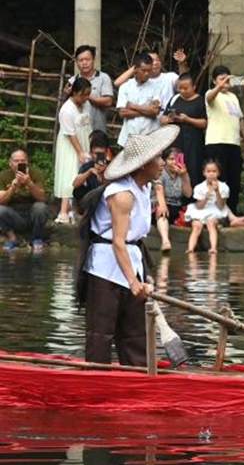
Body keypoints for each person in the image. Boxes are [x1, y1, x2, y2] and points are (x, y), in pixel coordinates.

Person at [81, 124, 178, 365]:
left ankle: (137, 380)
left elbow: (135, 241)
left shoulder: (144, 189)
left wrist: (140, 275)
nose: (163, 162)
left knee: (135, 332)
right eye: (158, 157)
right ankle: (95, 380)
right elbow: (118, 242)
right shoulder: (122, 194)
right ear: (144, 164)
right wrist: (133, 282)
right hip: (105, 268)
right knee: (101, 333)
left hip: (131, 262)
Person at [205, 64, 244, 212]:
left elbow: (240, 119)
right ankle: (217, 212)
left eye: (227, 79)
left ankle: (232, 213)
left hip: (234, 143)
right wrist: (220, 86)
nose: (225, 82)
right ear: (214, 81)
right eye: (221, 79)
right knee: (218, 179)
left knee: (233, 180)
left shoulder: (233, 97)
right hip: (216, 142)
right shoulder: (211, 94)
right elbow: (210, 97)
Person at [55, 75, 92, 224]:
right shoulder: (66, 110)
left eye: (88, 94)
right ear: (75, 92)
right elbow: (70, 133)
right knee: (69, 173)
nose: (86, 97)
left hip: (84, 139)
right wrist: (79, 152)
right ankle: (63, 212)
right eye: (84, 94)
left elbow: (88, 124)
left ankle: (74, 210)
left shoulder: (86, 105)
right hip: (70, 145)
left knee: (81, 174)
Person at [161, 71, 206, 186]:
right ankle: (177, 197)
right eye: (180, 88)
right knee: (177, 168)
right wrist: (169, 119)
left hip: (194, 144)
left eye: (186, 88)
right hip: (177, 143)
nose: (182, 91)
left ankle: (191, 199)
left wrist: (188, 120)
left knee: (193, 170)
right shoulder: (175, 99)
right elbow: (162, 119)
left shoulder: (201, 101)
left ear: (194, 87)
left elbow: (204, 123)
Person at [0, 147, 50, 252]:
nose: (19, 163)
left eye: (22, 161)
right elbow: (1, 201)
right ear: (10, 163)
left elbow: (42, 197)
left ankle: (36, 238)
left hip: (32, 213)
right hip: (14, 214)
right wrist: (12, 188)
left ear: (27, 162)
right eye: (16, 161)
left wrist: (29, 183)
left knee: (41, 207)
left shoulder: (36, 173)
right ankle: (12, 238)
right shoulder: (4, 175)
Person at [65, 44, 115, 132]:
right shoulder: (72, 81)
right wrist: (65, 95)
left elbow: (108, 102)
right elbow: (66, 106)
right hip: (77, 131)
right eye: (81, 60)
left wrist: (86, 96)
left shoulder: (103, 78)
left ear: (93, 60)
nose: (84, 63)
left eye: (87, 59)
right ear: (76, 63)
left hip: (98, 130)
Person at [184, 157, 229, 253]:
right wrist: (206, 198)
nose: (211, 174)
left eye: (214, 171)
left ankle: (213, 248)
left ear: (218, 173)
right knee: (196, 225)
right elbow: (199, 206)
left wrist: (217, 191)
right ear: (204, 173)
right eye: (208, 171)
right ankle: (190, 248)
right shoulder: (199, 187)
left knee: (211, 223)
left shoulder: (224, 187)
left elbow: (221, 206)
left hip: (215, 209)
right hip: (201, 209)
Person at [116, 52, 160, 146]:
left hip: (150, 137)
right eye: (144, 70)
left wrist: (133, 106)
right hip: (129, 137)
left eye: (149, 70)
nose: (147, 74)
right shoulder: (125, 87)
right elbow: (122, 113)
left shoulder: (156, 87)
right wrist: (146, 110)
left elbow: (155, 111)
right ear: (135, 69)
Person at [155, 147, 192, 251]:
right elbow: (158, 189)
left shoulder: (183, 173)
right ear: (165, 161)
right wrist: (162, 205)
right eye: (171, 159)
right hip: (162, 203)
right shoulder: (161, 172)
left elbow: (188, 194)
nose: (174, 162)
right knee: (162, 214)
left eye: (177, 159)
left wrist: (184, 175)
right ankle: (165, 241)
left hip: (177, 206)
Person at [72, 129, 114, 209]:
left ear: (107, 151)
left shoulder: (113, 166)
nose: (98, 156)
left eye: (101, 154)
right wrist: (90, 172)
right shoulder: (88, 166)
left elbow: (113, 188)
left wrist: (104, 173)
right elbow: (75, 184)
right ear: (91, 152)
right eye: (96, 153)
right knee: (78, 190)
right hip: (90, 203)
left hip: (108, 201)